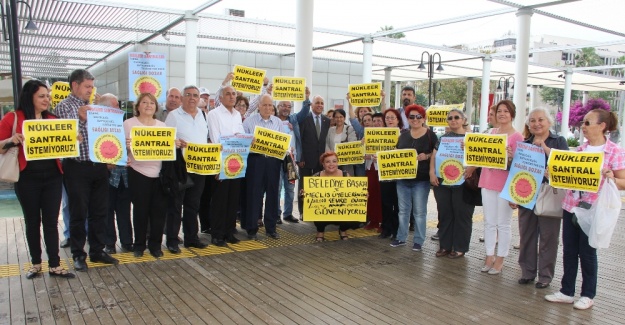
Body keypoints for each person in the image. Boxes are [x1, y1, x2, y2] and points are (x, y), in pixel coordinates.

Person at [545, 109, 625, 310]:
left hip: (594, 209)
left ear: (602, 126)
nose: (584, 127)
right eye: (583, 123)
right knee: (569, 250)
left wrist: (611, 178)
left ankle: (588, 294)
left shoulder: (615, 151)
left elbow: (623, 182)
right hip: (571, 206)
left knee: (588, 252)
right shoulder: (579, 151)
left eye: (588, 123)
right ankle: (567, 291)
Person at [0, 80, 75, 279]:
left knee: (51, 222)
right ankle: (35, 263)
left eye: (47, 96)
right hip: (26, 178)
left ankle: (55, 264)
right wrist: (11, 140)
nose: (46, 100)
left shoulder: (53, 118)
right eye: (41, 96)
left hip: (52, 177)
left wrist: (73, 140)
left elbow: (66, 143)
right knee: (32, 221)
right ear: (29, 97)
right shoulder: (13, 118)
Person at [55, 69, 118, 271]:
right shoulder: (63, 107)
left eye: (92, 86)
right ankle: (78, 254)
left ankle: (97, 251)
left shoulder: (96, 108)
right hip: (77, 167)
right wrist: (81, 120)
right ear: (75, 85)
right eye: (87, 86)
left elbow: (107, 133)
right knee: (78, 212)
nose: (91, 90)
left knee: (100, 211)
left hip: (98, 165)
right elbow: (68, 137)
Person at [509, 108, 568, 288]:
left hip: (549, 192)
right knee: (526, 235)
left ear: (549, 122)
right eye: (532, 120)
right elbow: (517, 171)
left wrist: (544, 148)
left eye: (541, 120)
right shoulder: (525, 143)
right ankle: (527, 271)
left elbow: (564, 163)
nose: (537, 123)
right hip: (527, 193)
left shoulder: (559, 141)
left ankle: (545, 275)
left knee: (548, 237)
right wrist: (513, 195)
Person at [470, 99, 523, 275]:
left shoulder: (517, 137)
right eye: (499, 111)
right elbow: (479, 154)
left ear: (512, 114)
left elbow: (520, 164)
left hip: (505, 185)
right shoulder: (491, 132)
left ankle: (500, 259)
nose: (502, 114)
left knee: (503, 224)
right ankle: (489, 255)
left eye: (506, 111)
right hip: (487, 181)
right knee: (489, 222)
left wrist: (511, 156)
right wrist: (469, 148)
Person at [125, 93, 181, 258]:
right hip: (137, 172)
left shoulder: (162, 126)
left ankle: (155, 245)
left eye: (151, 103)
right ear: (138, 106)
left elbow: (168, 149)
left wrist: (175, 144)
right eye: (144, 102)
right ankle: (139, 245)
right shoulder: (128, 124)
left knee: (159, 211)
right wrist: (125, 145)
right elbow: (119, 148)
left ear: (156, 107)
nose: (148, 105)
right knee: (140, 211)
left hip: (159, 175)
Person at [164, 85, 209, 252]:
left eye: (195, 95)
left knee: (193, 204)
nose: (192, 98)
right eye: (188, 95)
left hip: (200, 166)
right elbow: (166, 140)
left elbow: (205, 138)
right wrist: (176, 143)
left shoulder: (203, 115)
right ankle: (172, 240)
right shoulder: (173, 116)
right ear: (182, 98)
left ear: (199, 99)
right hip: (180, 167)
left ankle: (191, 238)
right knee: (176, 204)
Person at [429, 109, 474, 258]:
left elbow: (480, 159)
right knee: (445, 214)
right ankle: (445, 246)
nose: (453, 120)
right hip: (443, 182)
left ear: (463, 120)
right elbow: (434, 156)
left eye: (457, 117)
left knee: (462, 215)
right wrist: (432, 173)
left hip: (463, 182)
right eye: (450, 118)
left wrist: (471, 167)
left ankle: (460, 247)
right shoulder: (442, 138)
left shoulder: (471, 138)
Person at [391, 105, 437, 251]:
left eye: (418, 116)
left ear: (423, 118)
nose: (415, 119)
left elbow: (437, 154)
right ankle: (401, 237)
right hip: (403, 179)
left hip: (421, 179)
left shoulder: (431, 135)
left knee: (419, 211)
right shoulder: (403, 135)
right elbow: (396, 153)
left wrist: (427, 156)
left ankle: (418, 240)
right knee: (403, 210)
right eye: (411, 117)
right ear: (408, 119)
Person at [242, 94, 286, 240]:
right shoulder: (249, 121)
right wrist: (249, 141)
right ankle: (252, 229)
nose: (268, 108)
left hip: (273, 161)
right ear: (259, 106)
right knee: (254, 195)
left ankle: (271, 228)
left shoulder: (278, 122)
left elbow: (283, 143)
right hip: (256, 161)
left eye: (270, 105)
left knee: (273, 194)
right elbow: (242, 143)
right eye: (265, 105)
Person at [207, 85, 245, 246]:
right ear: (220, 98)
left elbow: (240, 135)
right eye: (228, 94)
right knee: (219, 201)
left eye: (233, 94)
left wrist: (247, 139)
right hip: (221, 162)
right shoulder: (214, 114)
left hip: (237, 162)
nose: (231, 96)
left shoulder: (237, 114)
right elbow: (216, 140)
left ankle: (229, 231)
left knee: (232, 199)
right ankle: (217, 234)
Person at [99, 93, 133, 255]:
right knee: (107, 211)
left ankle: (127, 241)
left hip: (124, 175)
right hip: (107, 175)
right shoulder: (98, 126)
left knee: (124, 210)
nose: (118, 109)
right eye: (115, 106)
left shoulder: (124, 125)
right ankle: (109, 243)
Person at [303, 152, 359, 241]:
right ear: (323, 164)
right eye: (328, 162)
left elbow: (356, 191)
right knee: (315, 210)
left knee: (352, 217)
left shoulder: (345, 175)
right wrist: (304, 193)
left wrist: (362, 194)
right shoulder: (317, 177)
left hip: (341, 210)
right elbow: (308, 196)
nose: (331, 164)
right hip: (324, 210)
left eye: (334, 161)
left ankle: (343, 230)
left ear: (338, 163)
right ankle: (320, 231)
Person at [274, 88, 311, 223]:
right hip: (276, 157)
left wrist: (306, 98)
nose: (286, 108)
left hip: (291, 159)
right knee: (277, 187)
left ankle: (288, 213)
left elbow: (305, 112)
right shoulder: (272, 119)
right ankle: (276, 214)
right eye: (283, 105)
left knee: (289, 188)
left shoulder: (293, 119)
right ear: (278, 106)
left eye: (289, 106)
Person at [297, 95, 331, 218]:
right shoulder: (304, 119)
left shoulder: (327, 120)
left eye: (322, 103)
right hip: (305, 160)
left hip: (321, 160)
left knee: (318, 186)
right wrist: (300, 158)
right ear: (312, 104)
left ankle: (315, 210)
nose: (320, 105)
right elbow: (299, 139)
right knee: (304, 186)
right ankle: (302, 211)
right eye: (317, 102)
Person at [378, 108, 403, 240]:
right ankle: (386, 229)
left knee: (398, 204)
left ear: (398, 119)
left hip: (399, 175)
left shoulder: (404, 134)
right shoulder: (378, 134)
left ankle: (397, 229)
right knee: (386, 203)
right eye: (387, 118)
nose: (390, 120)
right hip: (385, 175)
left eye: (392, 117)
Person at [364, 112, 384, 232]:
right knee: (370, 193)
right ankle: (373, 220)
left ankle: (382, 221)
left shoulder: (389, 136)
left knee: (381, 195)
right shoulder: (367, 135)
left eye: (379, 121)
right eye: (374, 121)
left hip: (381, 169)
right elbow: (360, 151)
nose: (376, 123)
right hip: (369, 167)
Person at [325, 109, 357, 175]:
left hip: (346, 163)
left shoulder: (349, 129)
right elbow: (327, 144)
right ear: (334, 118)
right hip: (332, 164)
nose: (339, 119)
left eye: (341, 117)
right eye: (336, 117)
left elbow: (353, 143)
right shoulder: (330, 130)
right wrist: (330, 158)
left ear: (344, 118)